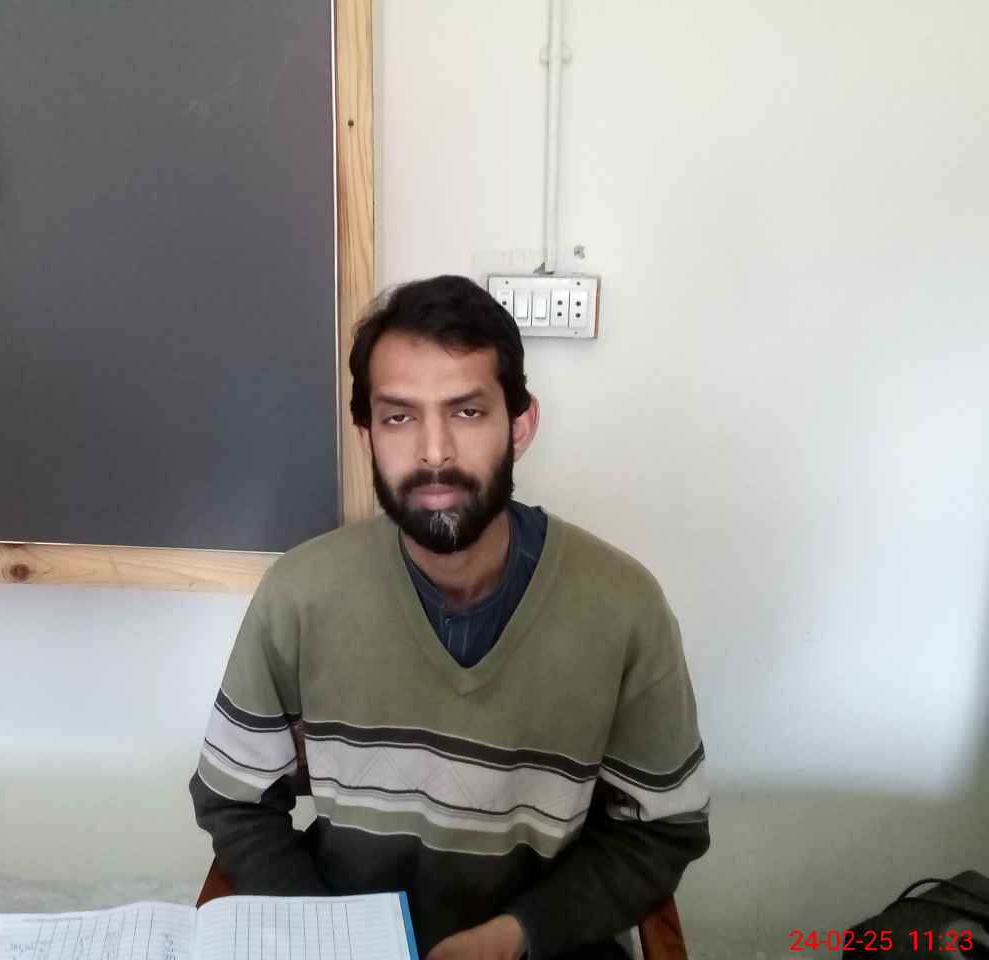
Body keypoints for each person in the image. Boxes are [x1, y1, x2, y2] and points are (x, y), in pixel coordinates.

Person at [189, 275, 710, 960]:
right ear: (366, 435)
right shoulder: (300, 594)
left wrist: (516, 935)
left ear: (520, 424)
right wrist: (332, 938)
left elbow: (663, 828)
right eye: (399, 418)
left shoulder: (624, 608)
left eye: (466, 411)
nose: (434, 452)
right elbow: (235, 801)